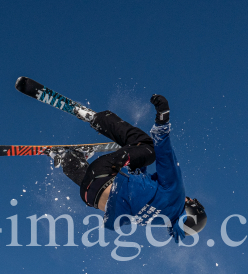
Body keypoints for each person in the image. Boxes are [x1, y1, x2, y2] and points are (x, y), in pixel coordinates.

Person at [58, 94, 206, 241]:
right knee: (101, 186)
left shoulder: (176, 196)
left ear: (192, 208)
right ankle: (68, 160)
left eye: (192, 201)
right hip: (89, 194)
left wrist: (163, 117)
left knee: (150, 148)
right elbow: (134, 189)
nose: (189, 198)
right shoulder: (156, 220)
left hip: (105, 172)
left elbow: (164, 152)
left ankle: (95, 119)